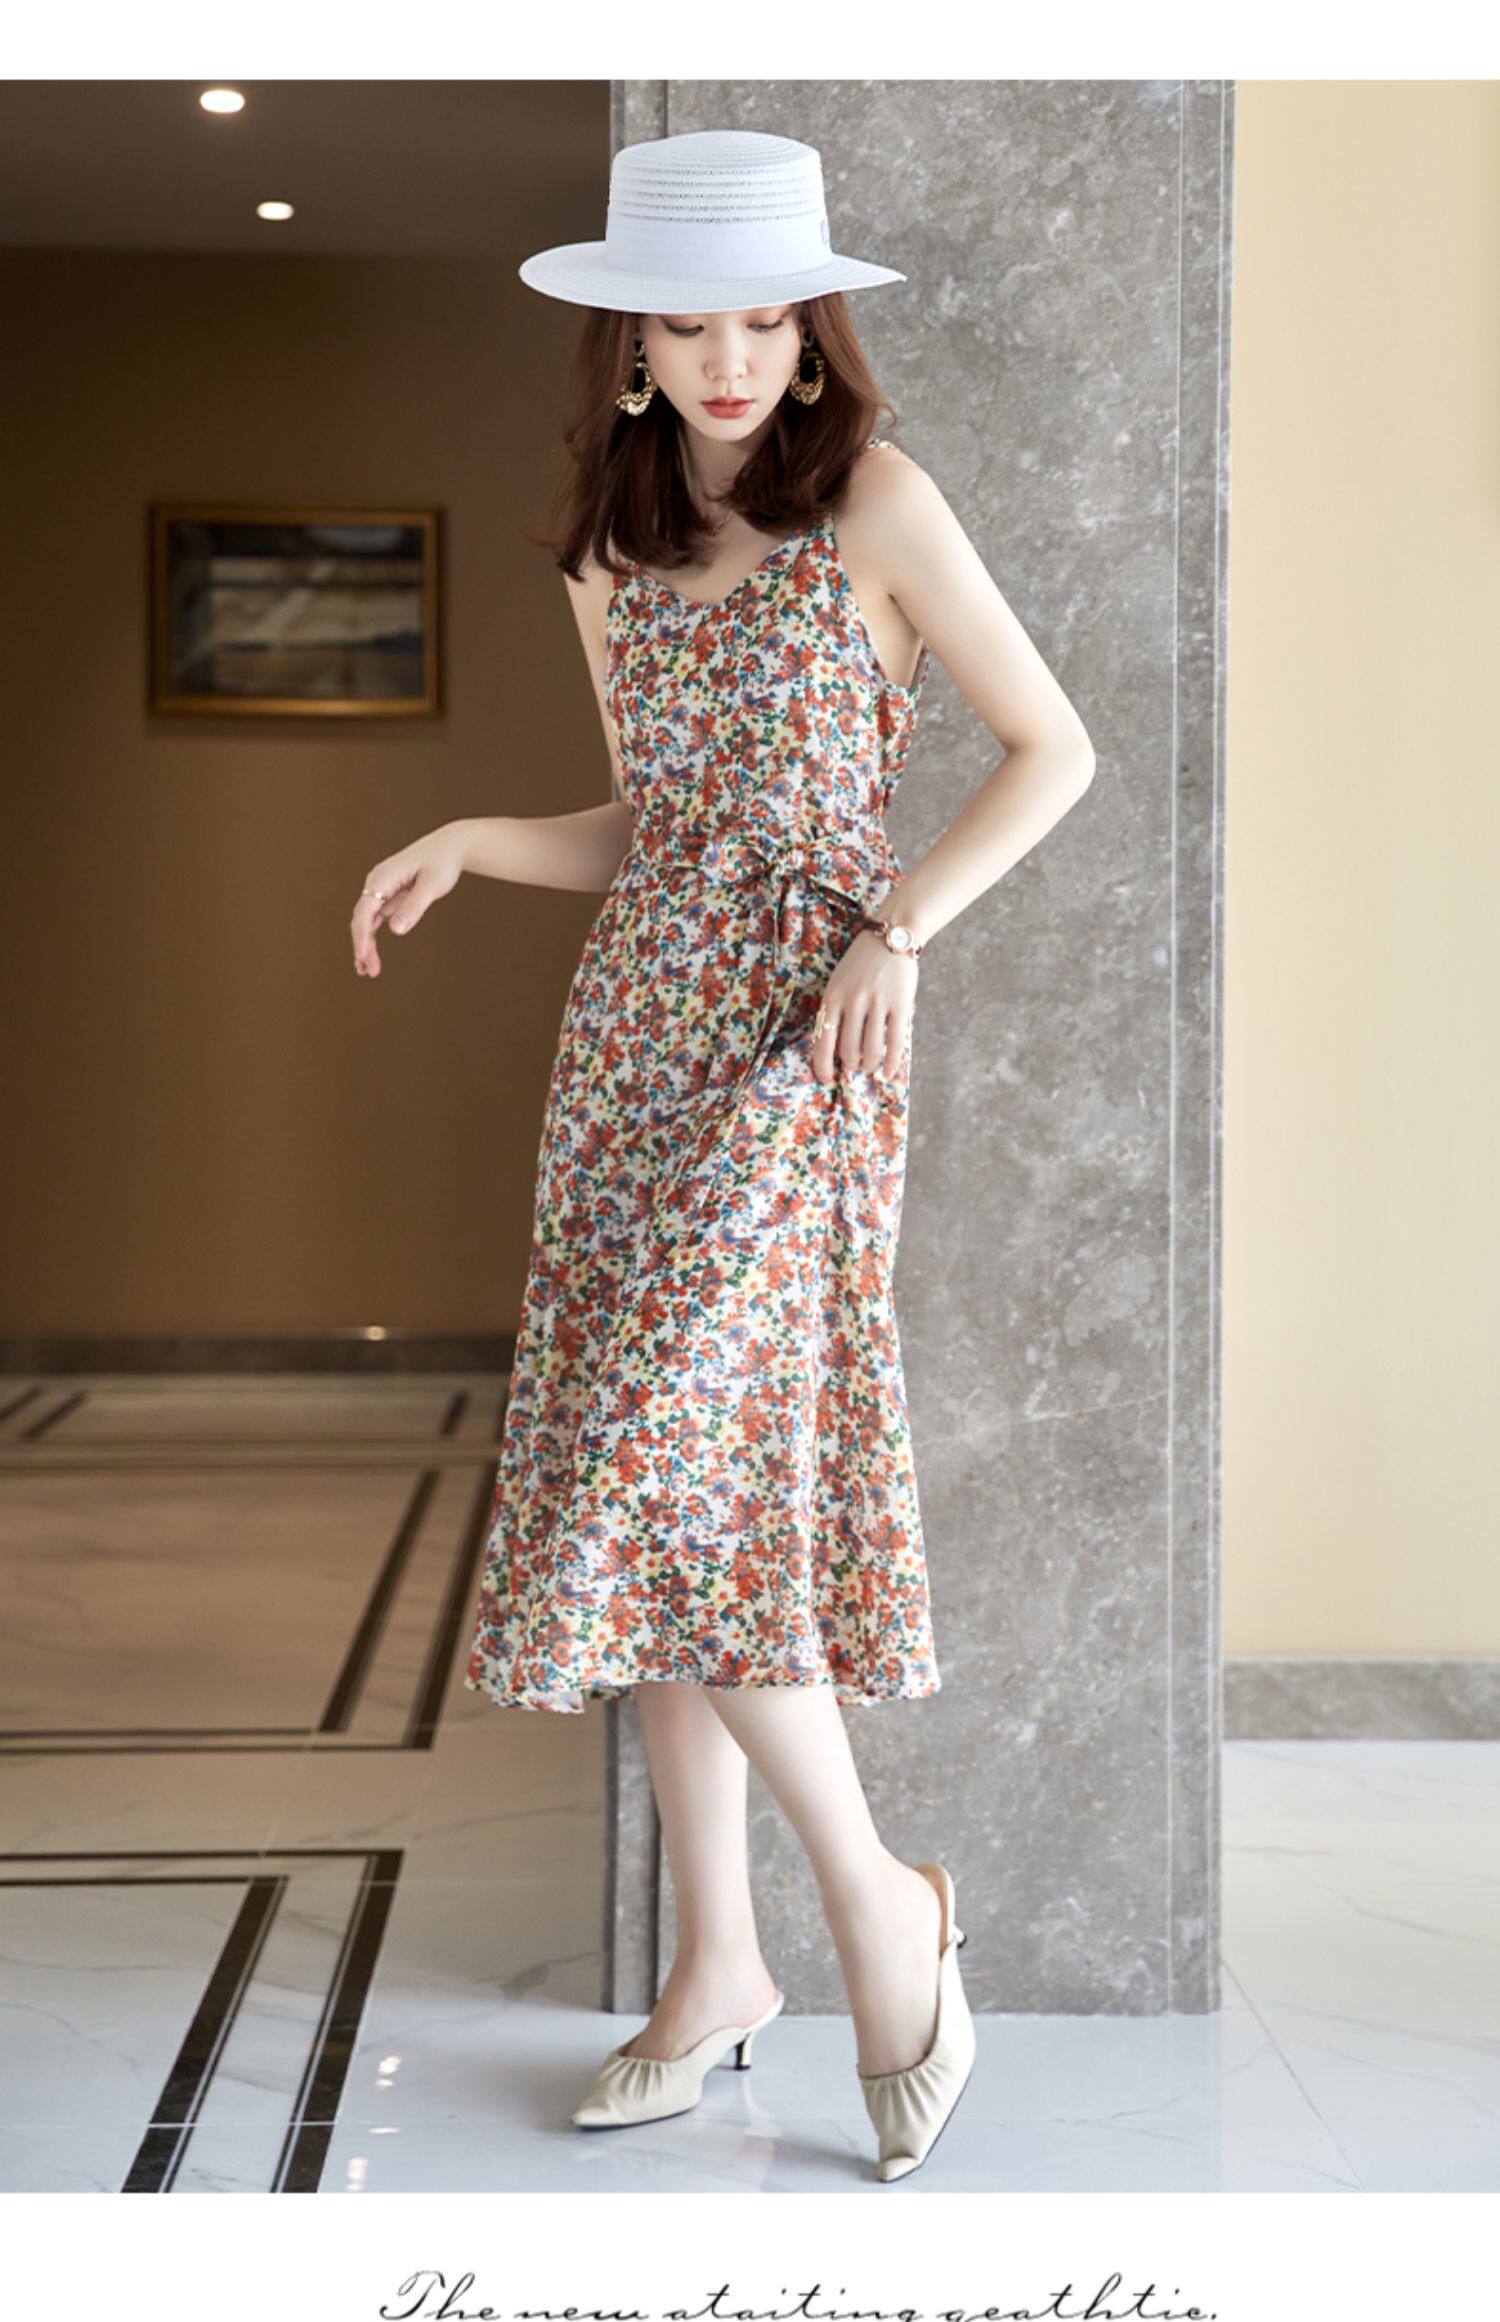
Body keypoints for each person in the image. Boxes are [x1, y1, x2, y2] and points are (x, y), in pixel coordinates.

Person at [349, 130, 1095, 2182]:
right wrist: (475, 838)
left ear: (812, 327)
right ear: (631, 345)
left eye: (769, 317)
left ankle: (878, 1909)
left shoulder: (878, 502)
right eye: (693, 323)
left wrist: (895, 931)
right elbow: (651, 828)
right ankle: (717, 1966)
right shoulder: (607, 551)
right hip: (634, 1047)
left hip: (808, 1037)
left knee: (676, 1459)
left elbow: (1054, 748)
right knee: (666, 1498)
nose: (737, 357)